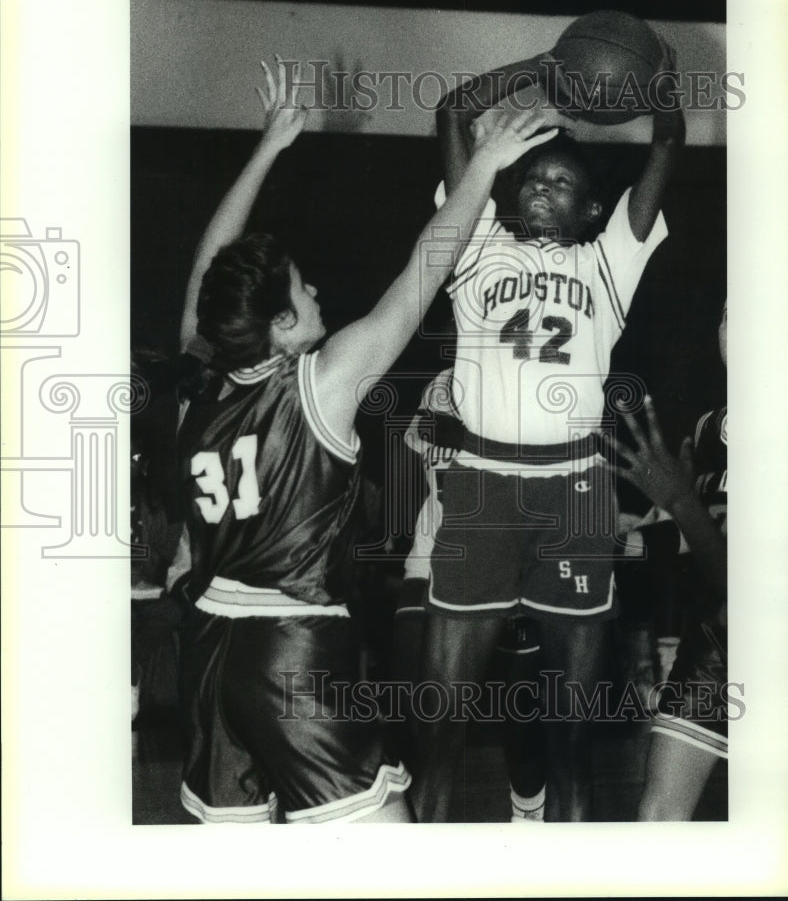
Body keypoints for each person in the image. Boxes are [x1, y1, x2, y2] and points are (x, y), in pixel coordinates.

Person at [175, 56, 558, 824]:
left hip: (209, 655)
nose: (315, 291)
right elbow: (425, 271)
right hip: (293, 654)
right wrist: (484, 161)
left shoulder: (200, 387)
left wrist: (267, 150)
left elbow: (205, 278)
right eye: (301, 289)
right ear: (280, 328)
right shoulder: (320, 381)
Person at [412, 34, 685, 822]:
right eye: (531, 177)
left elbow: (667, 137)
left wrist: (653, 79)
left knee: (570, 739)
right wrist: (549, 69)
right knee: (440, 728)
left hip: (573, 492)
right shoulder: (474, 244)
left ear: (591, 208)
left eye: (561, 181)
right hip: (482, 492)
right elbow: (454, 109)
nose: (540, 187)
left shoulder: (609, 261)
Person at [392, 369, 546, 821]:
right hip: (432, 559)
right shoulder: (441, 381)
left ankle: (529, 817)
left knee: (522, 719)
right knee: (416, 718)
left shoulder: (534, 378)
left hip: (511, 568)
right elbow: (420, 436)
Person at [613, 305, 728, 820]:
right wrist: (614, 545)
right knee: (657, 820)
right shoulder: (712, 430)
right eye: (728, 315)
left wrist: (680, 501)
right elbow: (704, 532)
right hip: (716, 639)